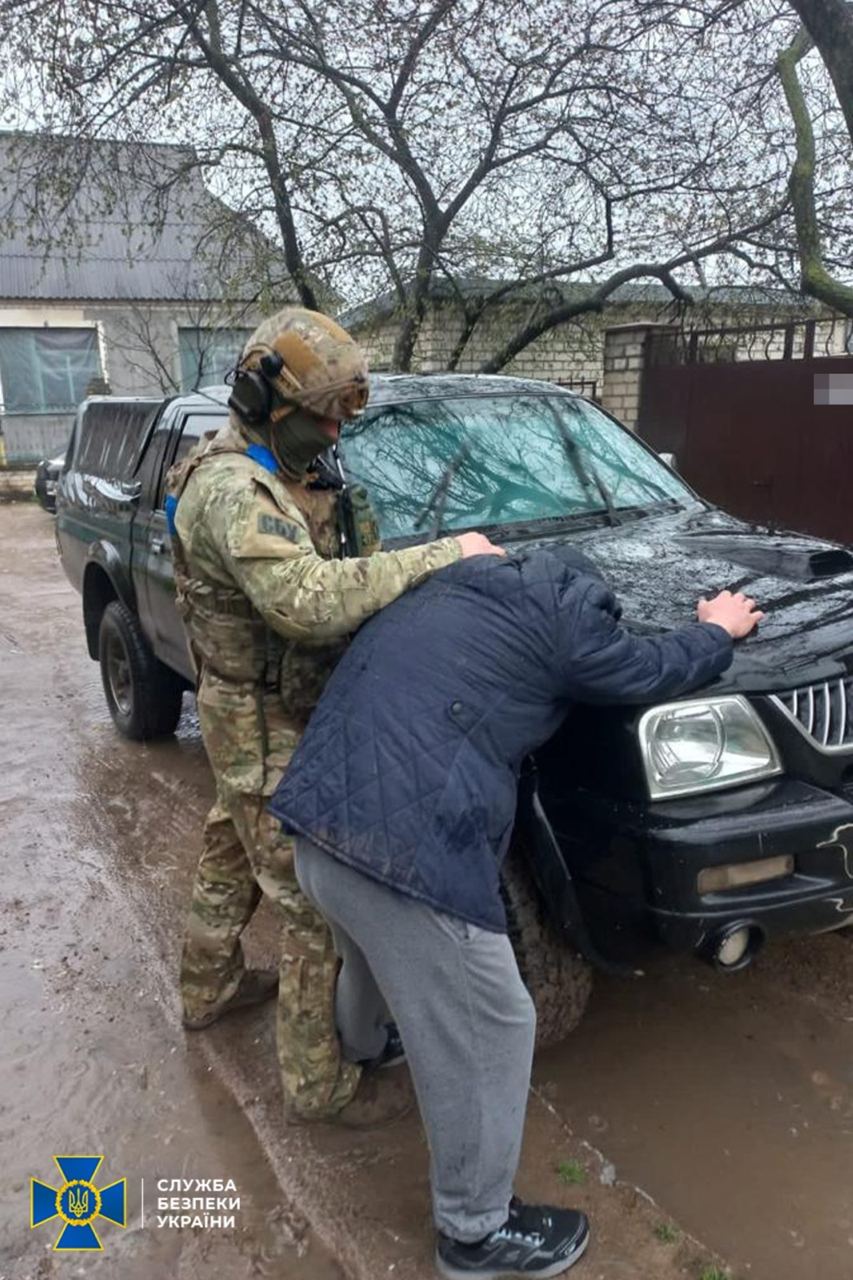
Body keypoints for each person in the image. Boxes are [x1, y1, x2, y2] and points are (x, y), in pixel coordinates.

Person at [267, 545, 763, 1278]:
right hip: (404, 858)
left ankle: (368, 1047)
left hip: (316, 828)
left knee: (372, 951)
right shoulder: (569, 616)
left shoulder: (443, 588)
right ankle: (474, 1232)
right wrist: (716, 630)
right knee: (493, 1022)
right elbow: (647, 670)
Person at [167, 306, 502, 1124]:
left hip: (277, 707)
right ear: (259, 401)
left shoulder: (300, 475)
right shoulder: (231, 489)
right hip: (255, 715)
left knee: (230, 846)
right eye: (320, 412)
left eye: (342, 410)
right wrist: (447, 554)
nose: (332, 427)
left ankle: (206, 989)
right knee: (312, 910)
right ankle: (321, 1089)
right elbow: (309, 603)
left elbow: (347, 558)